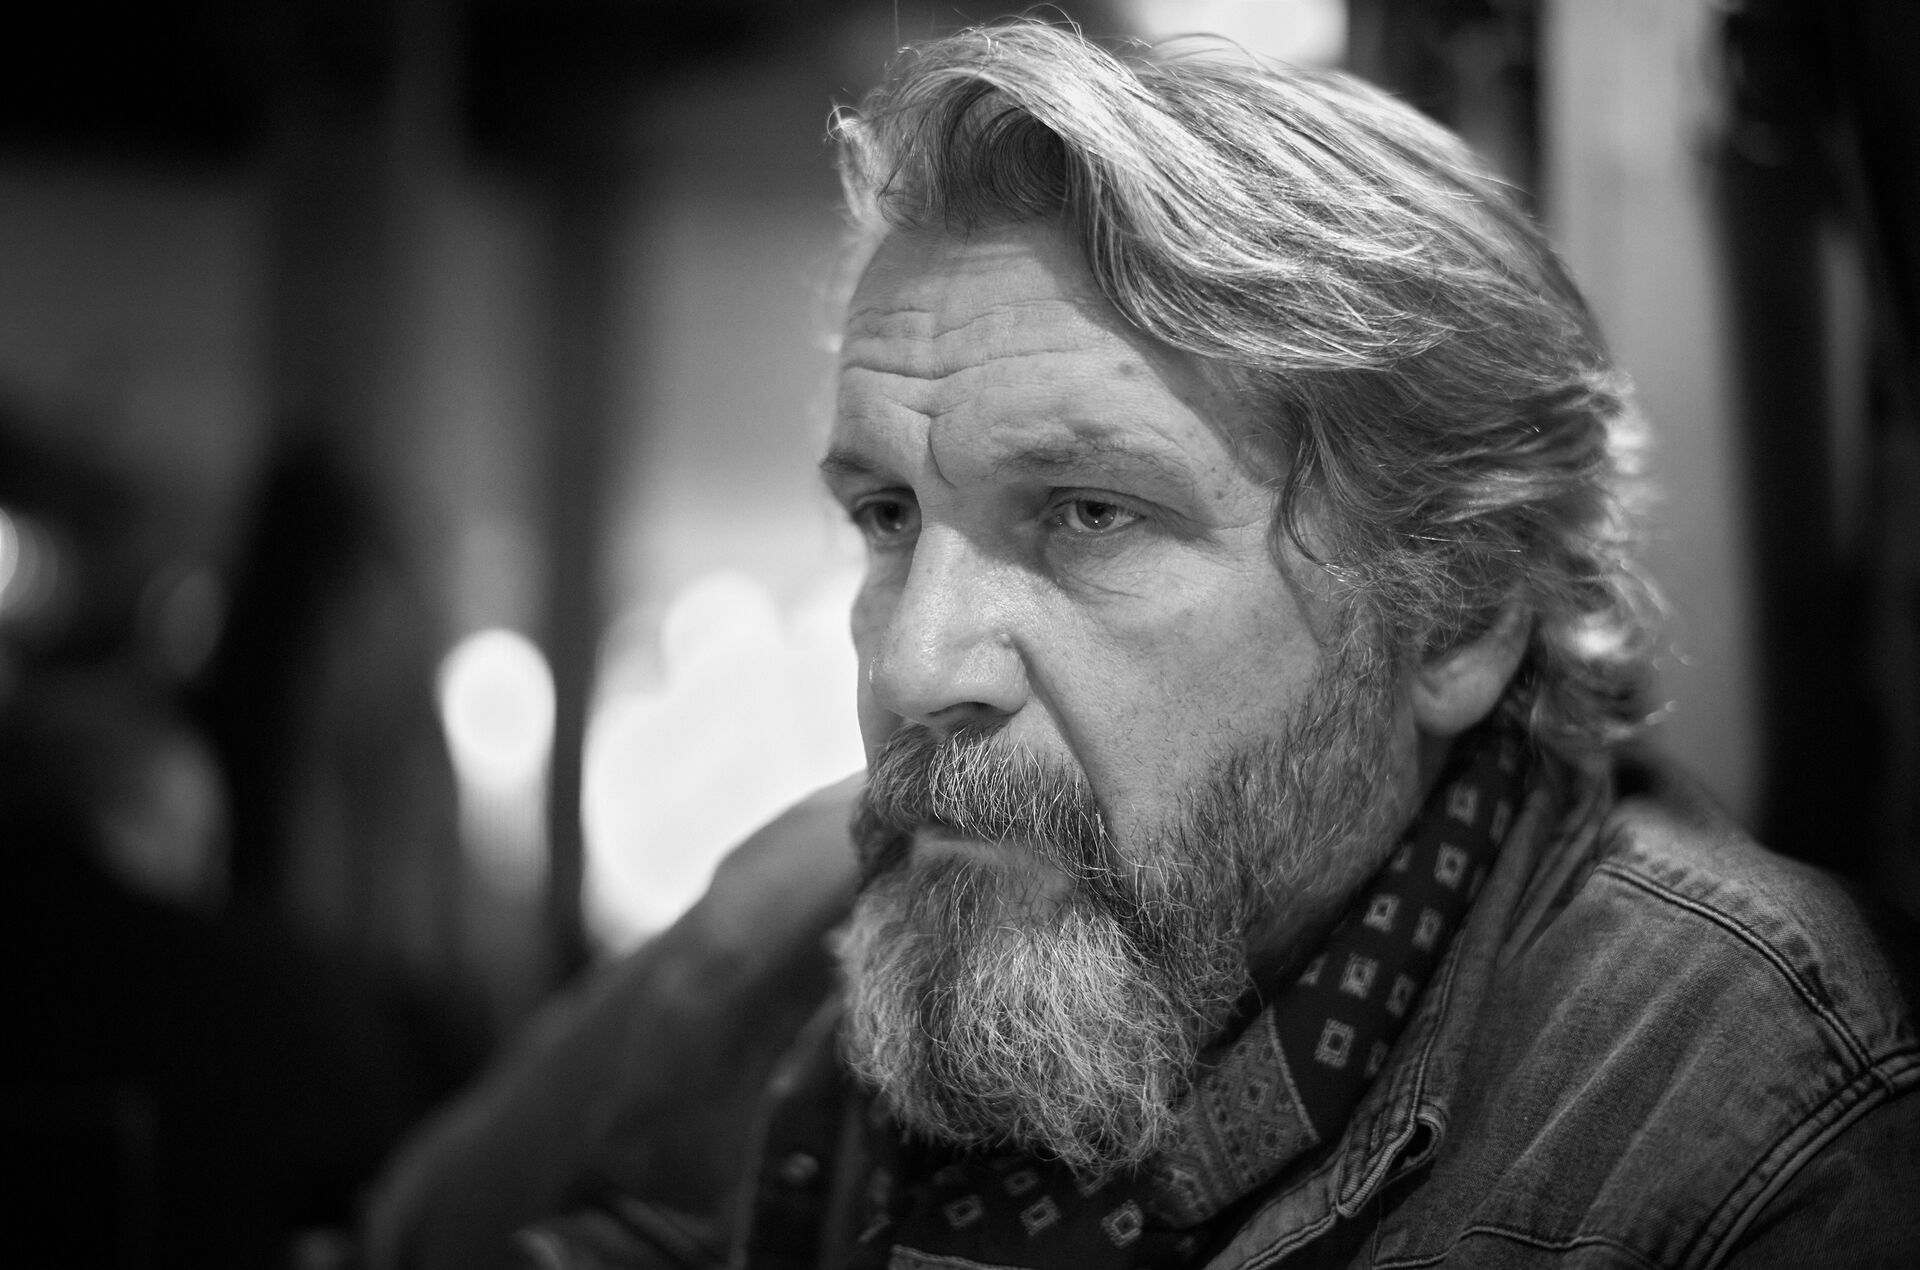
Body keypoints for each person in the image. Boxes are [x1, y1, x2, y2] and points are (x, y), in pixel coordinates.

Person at [359, 20, 1920, 1270]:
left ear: (1456, 611)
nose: (914, 669)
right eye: (889, 515)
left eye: (1090, 514)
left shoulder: (1742, 1112)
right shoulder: (795, 918)